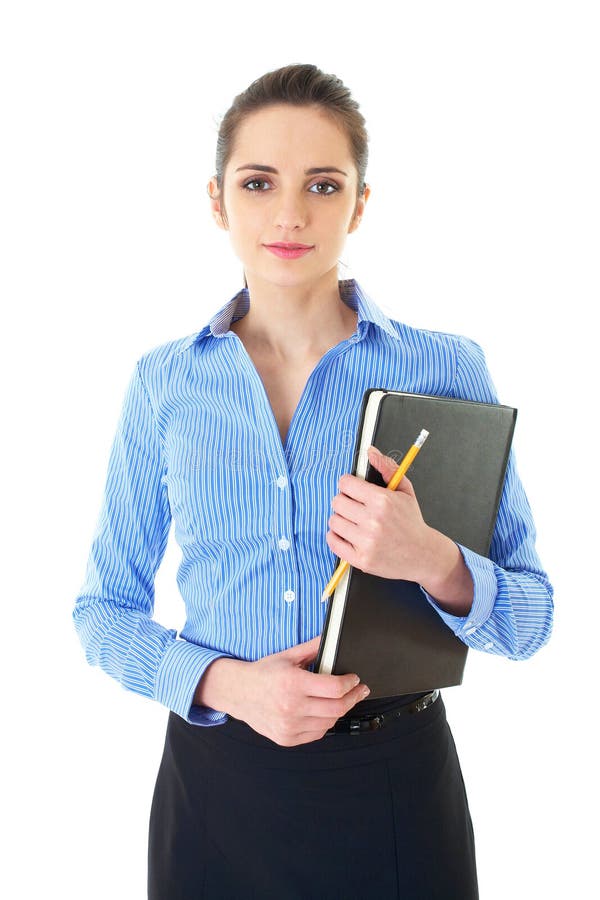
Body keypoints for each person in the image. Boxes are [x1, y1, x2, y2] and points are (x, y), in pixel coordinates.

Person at [72, 63, 554, 899]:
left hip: (396, 787)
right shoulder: (164, 384)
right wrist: (228, 684)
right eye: (259, 182)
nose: (290, 214)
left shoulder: (445, 369)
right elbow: (101, 611)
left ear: (360, 203)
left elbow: (531, 618)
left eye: (323, 185)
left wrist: (432, 559)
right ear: (218, 202)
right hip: (214, 791)